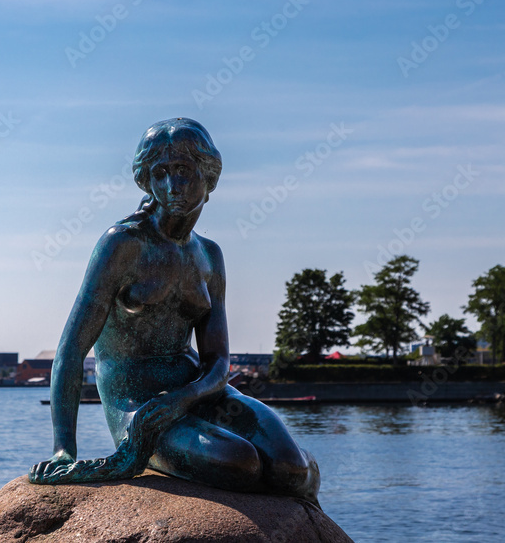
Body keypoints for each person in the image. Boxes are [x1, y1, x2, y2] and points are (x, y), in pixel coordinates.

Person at [30, 118, 319, 502]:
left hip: (198, 394)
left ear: (208, 177)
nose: (172, 186)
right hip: (138, 407)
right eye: (160, 173)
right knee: (240, 463)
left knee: (290, 468)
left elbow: (217, 361)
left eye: (183, 171)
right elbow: (70, 351)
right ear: (147, 180)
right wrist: (64, 448)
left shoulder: (210, 256)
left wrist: (185, 398)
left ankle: (305, 475)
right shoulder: (123, 245)